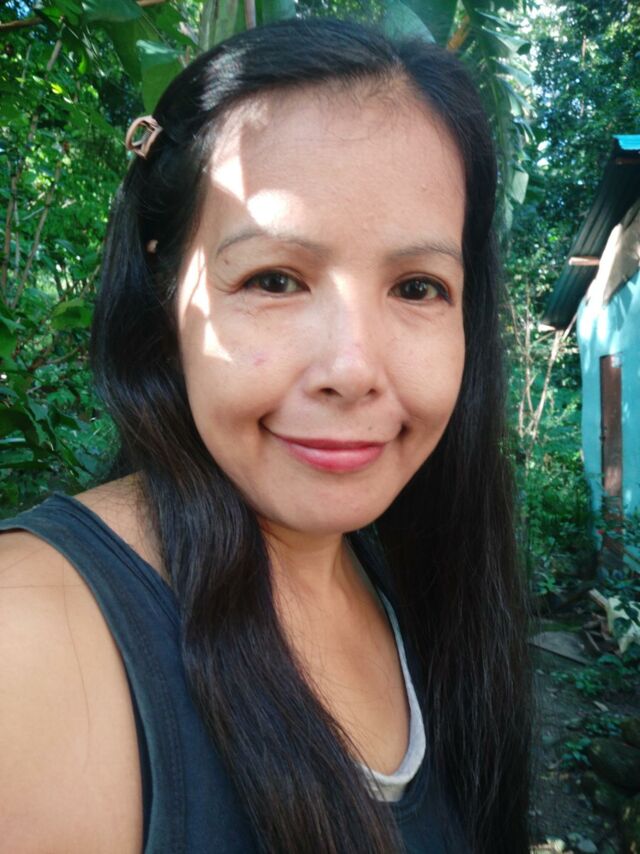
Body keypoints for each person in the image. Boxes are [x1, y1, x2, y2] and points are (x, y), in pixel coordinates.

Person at [0, 17, 532, 854]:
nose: (353, 369)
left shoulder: (407, 579)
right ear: (165, 292)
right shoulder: (32, 643)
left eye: (417, 287)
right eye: (275, 279)